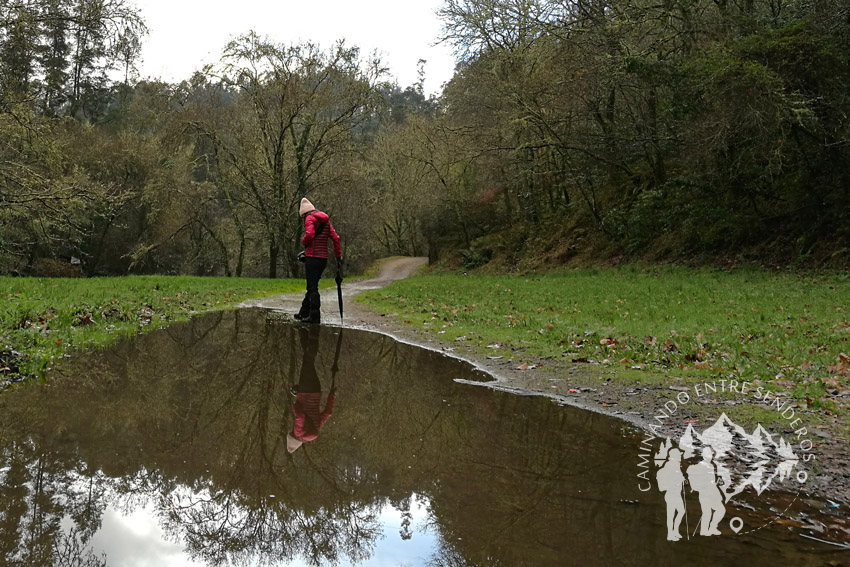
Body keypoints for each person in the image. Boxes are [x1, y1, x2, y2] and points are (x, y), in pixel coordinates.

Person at [287, 325, 336, 453]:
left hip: (316, 391)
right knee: (308, 360)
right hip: (305, 390)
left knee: (308, 361)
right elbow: (300, 416)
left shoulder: (314, 430)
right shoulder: (298, 432)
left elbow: (327, 413)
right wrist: (295, 404)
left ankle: (303, 331)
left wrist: (332, 395)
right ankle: (314, 331)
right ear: (291, 437)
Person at [295, 198, 342, 324]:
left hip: (312, 257)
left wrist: (303, 242)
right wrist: (338, 256)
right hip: (323, 259)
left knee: (312, 287)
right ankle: (303, 312)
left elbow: (309, 235)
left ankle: (314, 315)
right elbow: (335, 238)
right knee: (313, 285)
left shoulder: (309, 219)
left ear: (303, 213)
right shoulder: (325, 221)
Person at [686, 446, 725, 536]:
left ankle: (710, 529)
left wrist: (717, 481)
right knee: (710, 512)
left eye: (710, 454)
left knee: (715, 511)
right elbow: (705, 481)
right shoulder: (702, 466)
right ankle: (707, 530)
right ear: (704, 455)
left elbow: (712, 480)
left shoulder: (712, 465)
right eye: (708, 454)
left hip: (710, 492)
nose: (710, 456)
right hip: (705, 493)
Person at [656, 447, 686, 541]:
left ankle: (675, 531)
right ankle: (670, 534)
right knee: (671, 515)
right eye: (679, 456)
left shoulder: (676, 466)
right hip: (671, 495)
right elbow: (662, 487)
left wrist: (683, 480)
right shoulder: (669, 467)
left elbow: (679, 477)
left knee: (681, 511)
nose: (680, 458)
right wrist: (676, 482)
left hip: (677, 494)